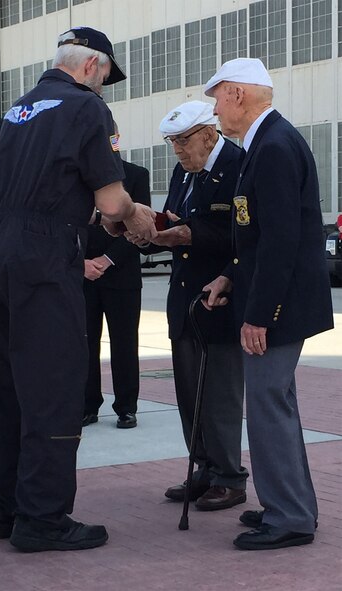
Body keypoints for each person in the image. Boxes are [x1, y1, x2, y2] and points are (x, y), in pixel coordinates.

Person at [0, 26, 157, 553]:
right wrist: (137, 221)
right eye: (105, 78)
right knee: (51, 385)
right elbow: (113, 200)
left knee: (4, 386)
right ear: (93, 67)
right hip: (39, 251)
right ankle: (43, 518)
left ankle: (5, 507)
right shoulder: (85, 108)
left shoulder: (19, 109)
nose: (104, 89)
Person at [202, 58, 334, 550]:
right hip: (274, 298)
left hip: (278, 307)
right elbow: (256, 239)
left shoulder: (273, 146)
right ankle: (289, 504)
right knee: (274, 406)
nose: (215, 111)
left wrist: (260, 314)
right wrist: (230, 278)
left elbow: (281, 240)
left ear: (236, 93)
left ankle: (290, 517)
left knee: (266, 407)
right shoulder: (267, 142)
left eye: (217, 98)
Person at [130, 100, 248, 511]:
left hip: (219, 296)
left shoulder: (237, 165)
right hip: (184, 295)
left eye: (183, 141)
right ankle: (204, 468)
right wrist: (155, 230)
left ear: (209, 134)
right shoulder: (185, 171)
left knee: (219, 393)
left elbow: (241, 236)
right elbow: (180, 216)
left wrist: (188, 234)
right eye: (172, 142)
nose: (177, 150)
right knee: (188, 391)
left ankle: (230, 477)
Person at [83, 129, 151, 429]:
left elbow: (141, 227)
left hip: (121, 273)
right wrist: (82, 262)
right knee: (84, 343)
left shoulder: (136, 176)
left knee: (124, 343)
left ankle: (126, 407)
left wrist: (108, 259)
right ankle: (87, 404)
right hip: (83, 273)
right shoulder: (78, 177)